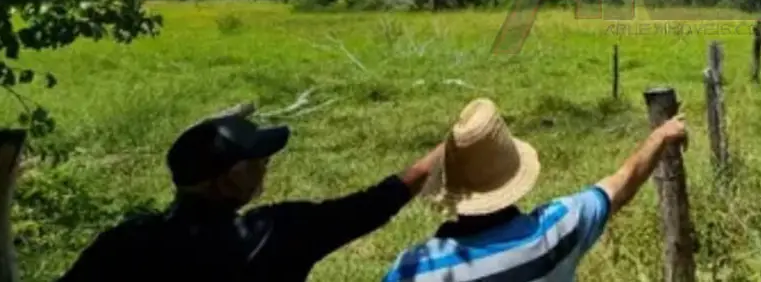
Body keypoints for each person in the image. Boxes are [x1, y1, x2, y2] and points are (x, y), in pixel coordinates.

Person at [59, 108, 447, 282]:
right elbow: (373, 205)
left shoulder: (124, 243)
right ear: (228, 179)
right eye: (258, 162)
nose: (266, 168)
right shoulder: (277, 232)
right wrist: (445, 150)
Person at [381, 97, 690, 282]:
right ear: (513, 175)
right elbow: (621, 183)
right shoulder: (554, 232)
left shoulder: (414, 269)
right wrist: (660, 136)